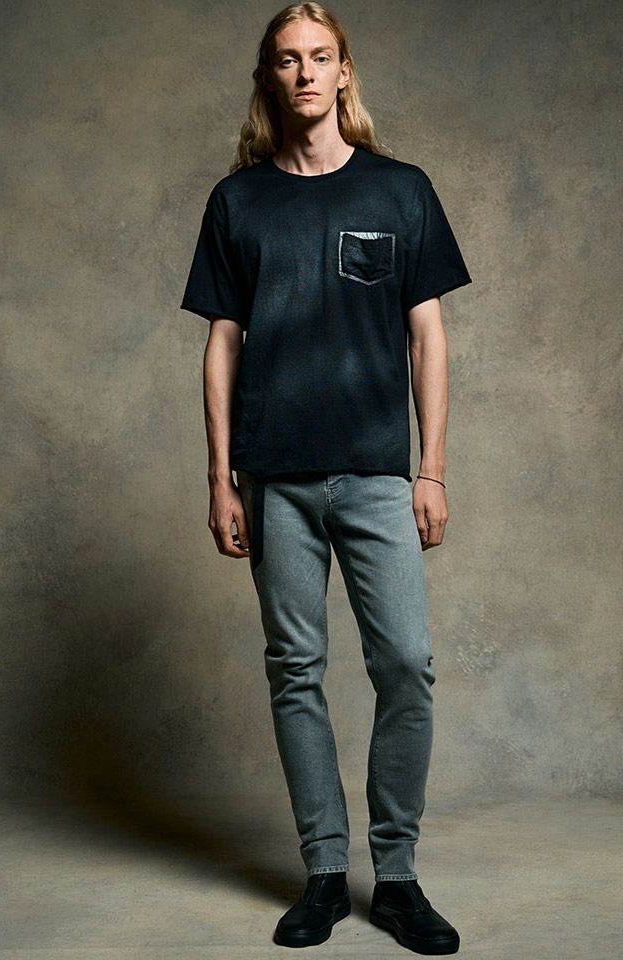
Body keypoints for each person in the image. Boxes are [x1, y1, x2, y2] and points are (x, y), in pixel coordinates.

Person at [180, 3, 471, 954]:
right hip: (275, 478)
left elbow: (428, 337)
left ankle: (398, 877)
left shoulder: (401, 189)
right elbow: (222, 344)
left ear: (345, 72)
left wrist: (431, 469)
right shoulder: (239, 202)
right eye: (286, 60)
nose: (305, 73)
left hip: (378, 473)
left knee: (406, 667)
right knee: (295, 670)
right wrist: (220, 478)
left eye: (320, 57)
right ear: (269, 77)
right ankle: (321, 874)